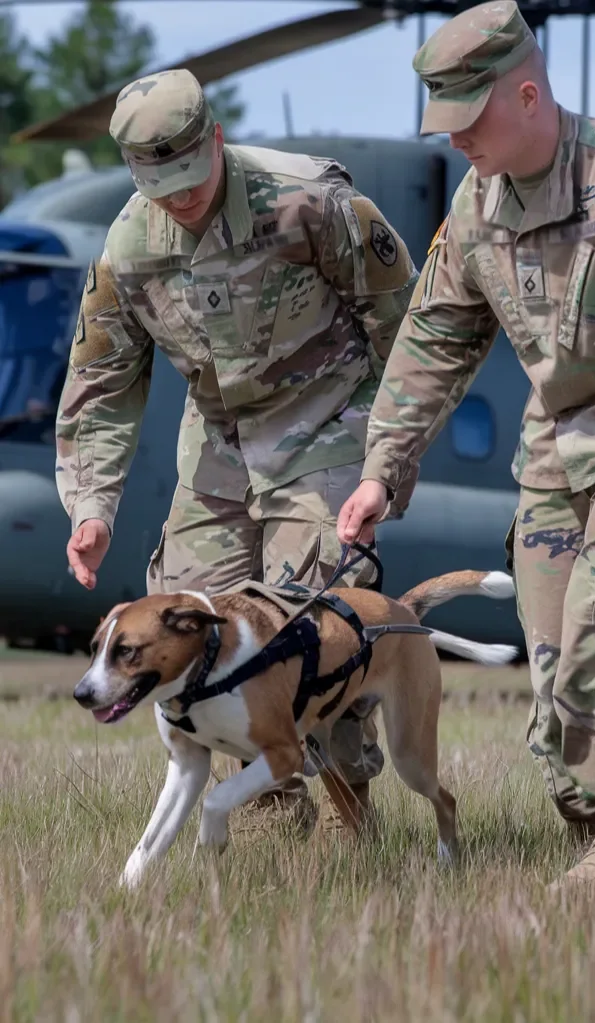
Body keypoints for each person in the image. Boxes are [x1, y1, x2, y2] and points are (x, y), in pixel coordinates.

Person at [337, 0, 595, 887]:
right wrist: (383, 470)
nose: (454, 141)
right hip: (556, 453)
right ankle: (589, 824)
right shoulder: (478, 203)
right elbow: (434, 340)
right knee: (556, 671)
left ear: (527, 95)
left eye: (468, 119)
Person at [56, 68, 419, 832]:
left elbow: (412, 330)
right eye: (163, 184)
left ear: (215, 140)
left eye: (192, 174)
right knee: (184, 630)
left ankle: (357, 816)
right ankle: (277, 810)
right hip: (219, 451)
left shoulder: (312, 204)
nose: (183, 197)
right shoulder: (127, 248)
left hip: (326, 429)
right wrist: (92, 506)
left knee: (315, 637)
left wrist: (387, 460)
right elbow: (102, 380)